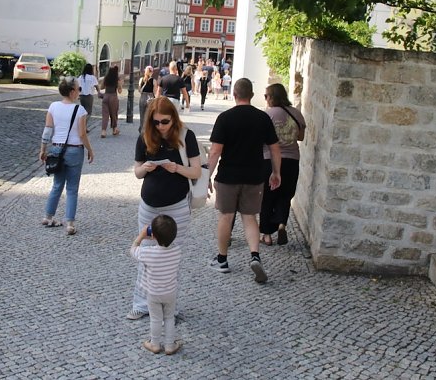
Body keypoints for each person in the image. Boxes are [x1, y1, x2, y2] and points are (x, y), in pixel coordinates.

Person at [128, 96, 200, 320]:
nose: (161, 126)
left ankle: (169, 309)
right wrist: (146, 168)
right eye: (156, 122)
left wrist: (176, 167)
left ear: (174, 119)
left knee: (171, 258)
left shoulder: (186, 136)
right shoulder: (146, 136)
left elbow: (196, 172)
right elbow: (137, 172)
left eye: (165, 122)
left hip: (177, 207)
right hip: (149, 207)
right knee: (146, 255)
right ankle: (141, 305)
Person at [206, 78, 281, 283]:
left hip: (229, 176)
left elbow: (215, 151)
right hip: (254, 176)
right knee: (250, 218)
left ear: (234, 94)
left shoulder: (225, 118)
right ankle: (255, 256)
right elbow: (274, 148)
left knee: (226, 217)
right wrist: (276, 172)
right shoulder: (262, 118)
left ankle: (222, 260)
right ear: (252, 95)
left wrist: (207, 176)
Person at [39, 77, 94, 235]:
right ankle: (69, 223)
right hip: (75, 150)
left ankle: (48, 216)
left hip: (57, 150)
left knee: (57, 185)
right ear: (72, 92)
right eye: (78, 89)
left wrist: (43, 149)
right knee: (72, 188)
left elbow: (48, 130)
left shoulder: (53, 107)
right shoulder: (80, 110)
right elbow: (82, 134)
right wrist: (90, 150)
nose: (79, 92)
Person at [259, 84, 306, 246]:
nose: (266, 99)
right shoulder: (297, 114)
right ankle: (281, 224)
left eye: (266, 96)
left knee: (267, 196)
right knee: (285, 195)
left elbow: (261, 140)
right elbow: (301, 137)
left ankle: (266, 235)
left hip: (270, 160)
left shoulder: (268, 115)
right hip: (292, 160)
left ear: (272, 97)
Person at [130, 214, 183, 355]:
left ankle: (154, 344)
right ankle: (170, 345)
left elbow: (133, 250)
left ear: (153, 235)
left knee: (156, 319)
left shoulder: (148, 253)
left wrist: (141, 236)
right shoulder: (177, 251)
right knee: (169, 317)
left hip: (153, 293)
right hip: (170, 292)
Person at [100, 65, 122, 138]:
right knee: (114, 114)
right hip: (113, 97)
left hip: (105, 97)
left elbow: (101, 87)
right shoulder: (117, 79)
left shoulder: (106, 78)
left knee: (105, 115)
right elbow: (120, 91)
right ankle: (114, 129)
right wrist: (120, 84)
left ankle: (103, 131)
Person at [77, 64, 100, 131]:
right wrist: (99, 92)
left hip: (82, 96)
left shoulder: (81, 77)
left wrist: (78, 95)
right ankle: (82, 126)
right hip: (89, 96)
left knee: (84, 112)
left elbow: (78, 87)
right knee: (89, 112)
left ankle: (84, 127)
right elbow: (96, 86)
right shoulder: (92, 77)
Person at [138, 65, 156, 132]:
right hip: (150, 98)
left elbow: (139, 90)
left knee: (142, 115)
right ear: (152, 72)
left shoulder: (141, 79)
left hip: (142, 97)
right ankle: (147, 130)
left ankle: (142, 129)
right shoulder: (154, 81)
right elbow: (155, 92)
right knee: (149, 116)